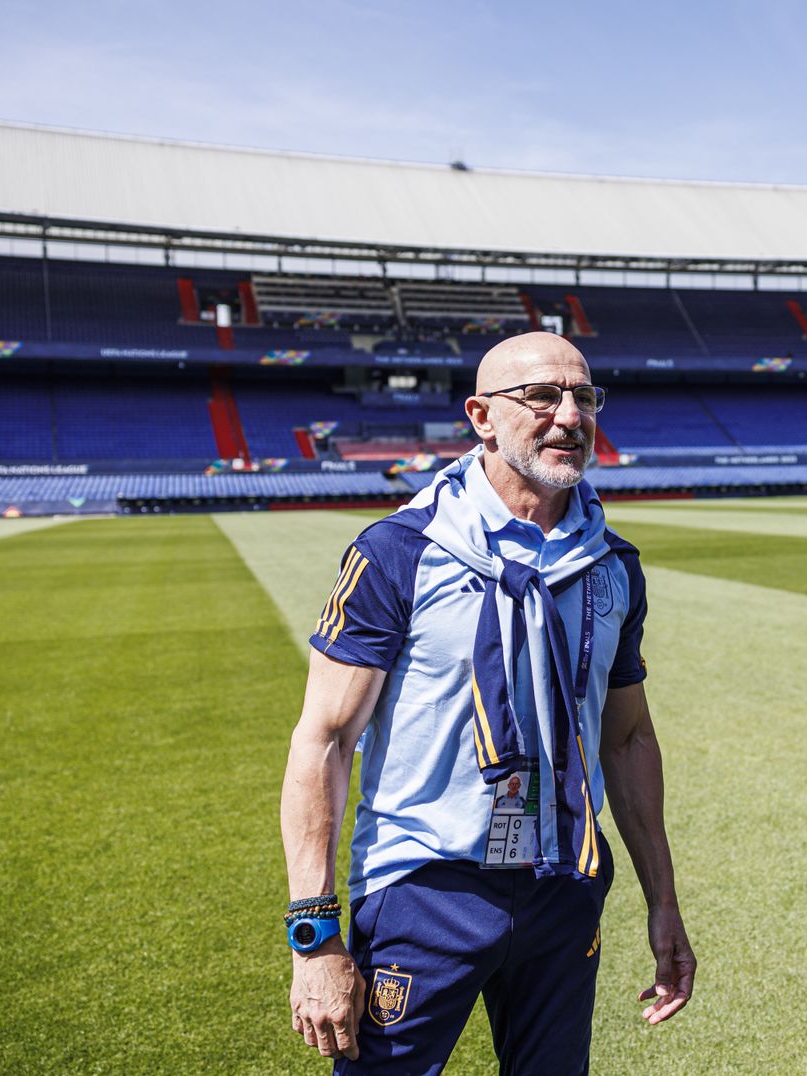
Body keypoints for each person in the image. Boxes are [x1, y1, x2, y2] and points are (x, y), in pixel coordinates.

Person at [282, 332, 695, 1073]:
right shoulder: (398, 553)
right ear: (481, 416)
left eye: (584, 395)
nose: (569, 415)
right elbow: (325, 740)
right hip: (424, 890)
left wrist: (662, 899)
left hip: (564, 884)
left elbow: (627, 739)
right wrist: (314, 935)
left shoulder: (612, 566)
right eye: (540, 395)